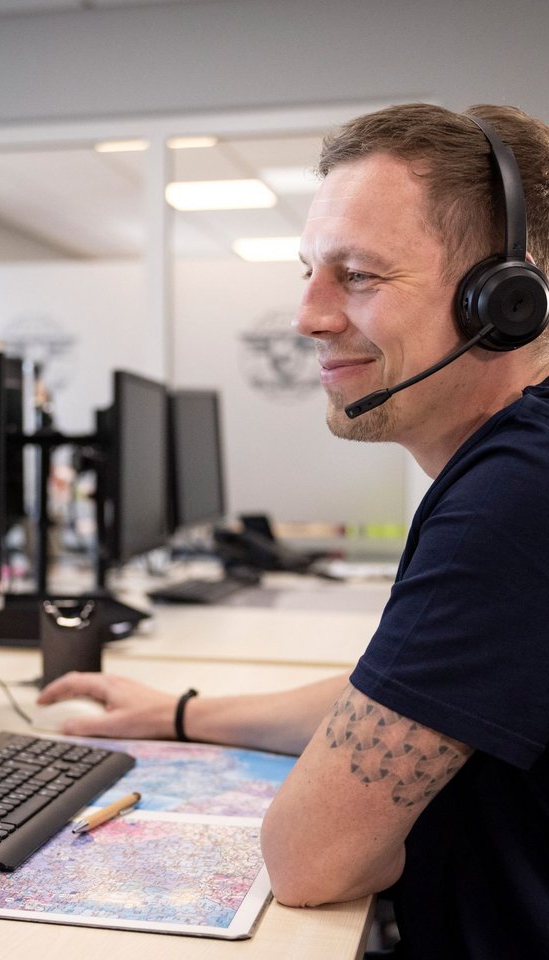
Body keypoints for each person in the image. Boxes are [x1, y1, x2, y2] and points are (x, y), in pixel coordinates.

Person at [38, 102, 549, 958]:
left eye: (357, 276)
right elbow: (400, 702)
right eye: (309, 272)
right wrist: (183, 713)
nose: (307, 316)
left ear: (502, 301)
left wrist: (357, 833)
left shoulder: (515, 496)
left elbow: (309, 862)